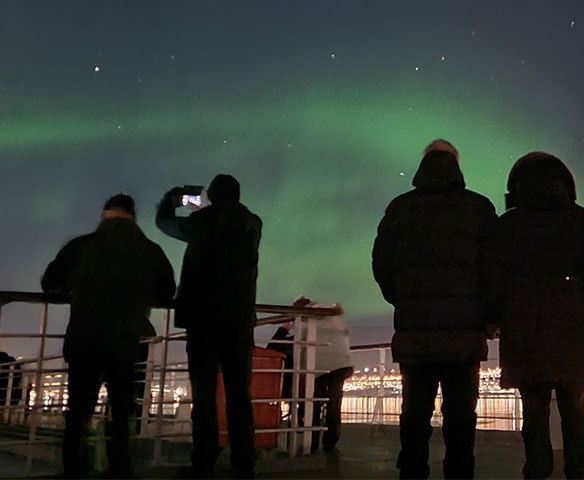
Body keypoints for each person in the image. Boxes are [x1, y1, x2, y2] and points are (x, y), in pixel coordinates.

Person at [372, 139, 497, 479]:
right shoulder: (479, 208)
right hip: (464, 335)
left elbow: (381, 264)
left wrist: (404, 298)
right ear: (457, 164)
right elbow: (494, 270)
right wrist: (486, 316)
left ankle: (412, 473)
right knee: (460, 420)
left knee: (414, 416)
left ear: (422, 163)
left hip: (416, 334)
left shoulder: (400, 208)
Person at [489, 152, 584, 479]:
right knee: (575, 411)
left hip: (524, 325)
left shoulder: (508, 225)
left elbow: (495, 277)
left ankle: (537, 471)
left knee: (534, 412)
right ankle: (579, 472)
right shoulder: (578, 219)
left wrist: (501, 316)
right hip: (573, 324)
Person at [41, 194, 176, 479]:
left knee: (77, 413)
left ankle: (73, 471)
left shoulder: (80, 247)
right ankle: (120, 470)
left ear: (105, 215)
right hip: (124, 342)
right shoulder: (149, 251)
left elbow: (50, 283)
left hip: (84, 338)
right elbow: (167, 291)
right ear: (134, 217)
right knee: (122, 413)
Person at [156, 174, 262, 479]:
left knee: (203, 395)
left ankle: (204, 459)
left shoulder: (201, 223)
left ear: (212, 197)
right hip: (239, 322)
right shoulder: (253, 223)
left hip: (203, 321)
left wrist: (174, 197)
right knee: (238, 395)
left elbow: (164, 222)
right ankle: (244, 461)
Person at [267, 297, 353, 452]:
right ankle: (330, 441)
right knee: (334, 403)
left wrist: (285, 327)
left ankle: (312, 441)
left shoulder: (307, 320)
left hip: (321, 368)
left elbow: (280, 348)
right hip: (343, 364)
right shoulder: (333, 314)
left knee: (313, 402)